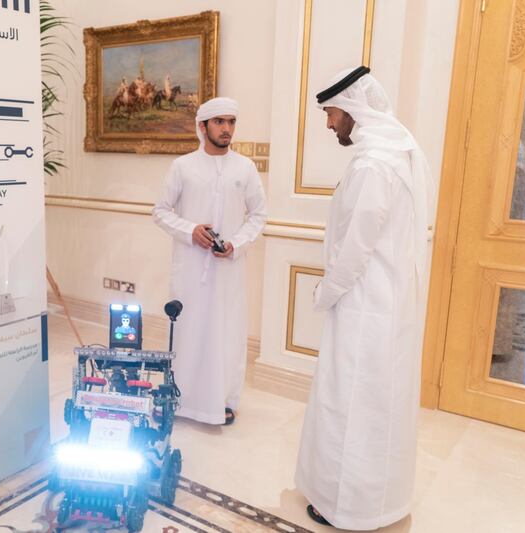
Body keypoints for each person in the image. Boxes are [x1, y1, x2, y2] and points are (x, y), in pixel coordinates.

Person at [294, 66, 435, 530]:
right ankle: (380, 501)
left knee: (350, 403)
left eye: (331, 113)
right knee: (380, 403)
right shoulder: (400, 152)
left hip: (362, 302)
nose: (329, 124)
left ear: (352, 109)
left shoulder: (374, 164)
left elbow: (356, 246)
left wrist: (324, 292)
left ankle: (345, 507)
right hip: (388, 303)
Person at [152, 97, 267, 426]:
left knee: (226, 333)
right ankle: (182, 398)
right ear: (202, 127)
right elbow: (160, 211)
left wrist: (235, 244)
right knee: (189, 330)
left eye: (231, 122)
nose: (227, 128)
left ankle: (223, 402)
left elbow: (259, 215)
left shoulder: (244, 168)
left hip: (228, 269)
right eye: (219, 122)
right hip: (190, 268)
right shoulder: (183, 166)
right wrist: (191, 231)